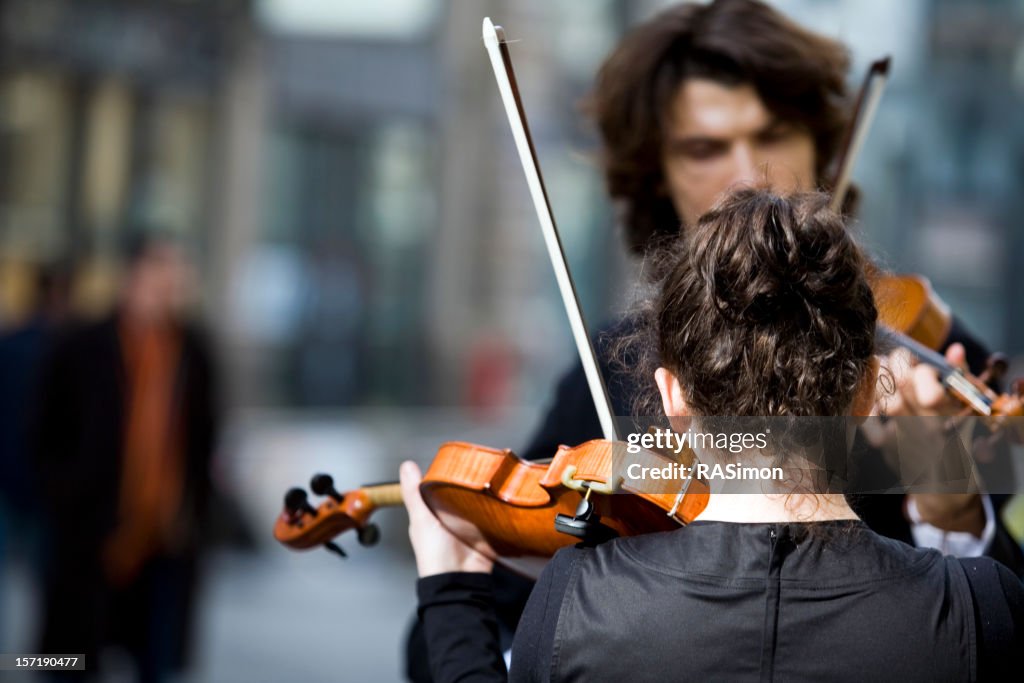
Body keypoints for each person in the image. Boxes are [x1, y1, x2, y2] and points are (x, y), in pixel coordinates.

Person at [405, 3, 1022, 677]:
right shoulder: (608, 373)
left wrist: (951, 506)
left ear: (820, 143)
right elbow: (474, 630)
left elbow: (997, 620)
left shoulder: (919, 353)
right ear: (658, 175)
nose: (747, 172)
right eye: (704, 147)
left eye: (772, 133)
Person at [31, 232, 219, 682]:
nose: (169, 286)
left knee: (154, 660)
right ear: (131, 278)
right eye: (159, 273)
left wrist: (195, 513)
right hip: (91, 532)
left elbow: (204, 439)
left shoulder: (193, 351)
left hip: (164, 537)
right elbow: (45, 433)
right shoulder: (83, 345)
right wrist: (64, 500)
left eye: (175, 275)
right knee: (70, 660)